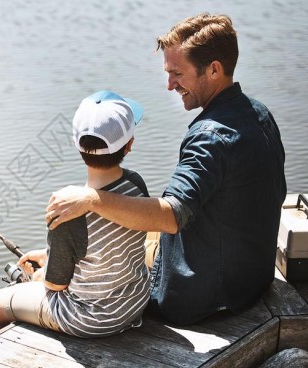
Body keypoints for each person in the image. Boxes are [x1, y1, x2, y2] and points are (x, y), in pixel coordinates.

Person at [45, 13, 286, 325]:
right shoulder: (258, 113)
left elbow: (171, 217)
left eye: (177, 74)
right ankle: (52, 260)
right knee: (133, 242)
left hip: (202, 298)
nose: (170, 85)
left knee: (68, 271)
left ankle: (48, 270)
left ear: (214, 69)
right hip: (251, 279)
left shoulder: (210, 137)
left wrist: (90, 199)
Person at [0, 90, 151, 339]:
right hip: (134, 303)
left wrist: (40, 275)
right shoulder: (135, 185)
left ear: (77, 145)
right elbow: (106, 247)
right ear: (130, 144)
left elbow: (56, 285)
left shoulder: (66, 211)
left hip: (90, 319)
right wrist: (49, 254)